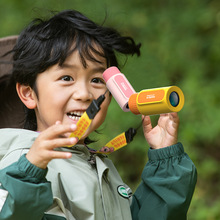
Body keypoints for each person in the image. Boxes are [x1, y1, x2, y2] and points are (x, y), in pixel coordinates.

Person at [0, 9, 197, 220]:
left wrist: (165, 167)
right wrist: (29, 174)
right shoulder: (21, 164)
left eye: (96, 80)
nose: (85, 94)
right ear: (28, 93)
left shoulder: (96, 163)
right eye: (66, 77)